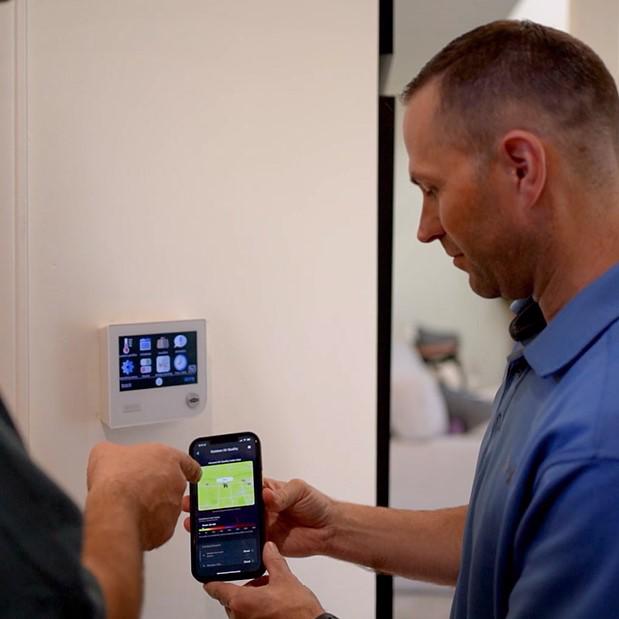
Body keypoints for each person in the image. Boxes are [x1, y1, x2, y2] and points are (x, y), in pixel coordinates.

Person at [197, 19, 619, 618]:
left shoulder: (600, 447)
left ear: (522, 167)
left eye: (432, 188)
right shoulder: (550, 332)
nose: (424, 228)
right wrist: (334, 528)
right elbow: (514, 536)